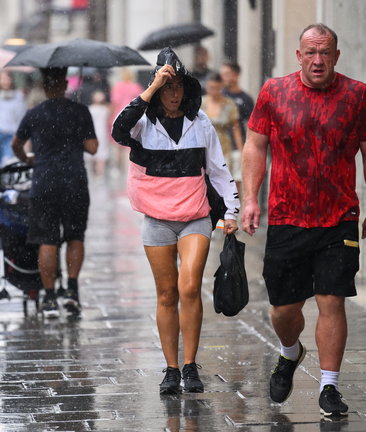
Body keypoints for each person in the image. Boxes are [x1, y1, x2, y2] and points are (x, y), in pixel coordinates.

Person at [241, 23, 366, 418]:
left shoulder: (357, 95)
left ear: (336, 56)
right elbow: (255, 145)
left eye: (325, 53)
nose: (318, 60)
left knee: (331, 300)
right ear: (299, 55)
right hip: (287, 217)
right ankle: (290, 353)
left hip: (338, 218)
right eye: (311, 52)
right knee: (284, 310)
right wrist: (250, 199)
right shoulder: (274, 92)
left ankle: (329, 387)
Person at [111, 47, 240, 395]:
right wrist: (151, 88)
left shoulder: (200, 122)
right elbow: (117, 130)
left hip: (195, 217)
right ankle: (171, 369)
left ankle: (190, 365)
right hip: (156, 220)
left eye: (177, 85)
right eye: (167, 86)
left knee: (189, 287)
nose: (173, 93)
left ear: (187, 88)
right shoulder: (142, 123)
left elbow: (218, 168)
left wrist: (231, 211)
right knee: (167, 294)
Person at [11, 67, 98, 318]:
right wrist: (76, 134)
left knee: (47, 240)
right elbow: (92, 148)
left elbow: (15, 144)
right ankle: (71, 290)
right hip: (74, 182)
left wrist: (28, 159)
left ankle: (49, 299)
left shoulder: (34, 113)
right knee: (75, 236)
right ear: (65, 84)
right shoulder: (80, 111)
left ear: (45, 86)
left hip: (44, 183)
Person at [201, 73, 243, 197]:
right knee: (206, 182)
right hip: (204, 147)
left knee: (228, 182)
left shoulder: (228, 103)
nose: (213, 91)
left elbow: (236, 129)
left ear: (221, 87)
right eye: (211, 87)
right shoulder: (200, 103)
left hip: (223, 147)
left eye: (216, 87)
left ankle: (229, 212)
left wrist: (241, 151)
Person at [220, 62, 254, 197]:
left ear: (236, 75)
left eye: (227, 74)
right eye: (222, 74)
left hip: (237, 146)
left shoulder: (245, 99)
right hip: (220, 145)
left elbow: (252, 125)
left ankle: (235, 215)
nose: (224, 78)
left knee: (236, 182)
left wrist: (245, 149)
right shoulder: (218, 96)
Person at [109, 68, 144, 174]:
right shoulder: (137, 87)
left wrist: (110, 117)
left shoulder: (118, 87)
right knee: (130, 145)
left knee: (117, 145)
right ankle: (129, 168)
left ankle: (117, 169)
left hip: (118, 117)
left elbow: (114, 103)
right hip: (133, 119)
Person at [86, 91, 111, 177]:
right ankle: (100, 174)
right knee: (101, 156)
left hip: (91, 134)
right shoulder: (105, 110)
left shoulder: (89, 109)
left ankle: (96, 172)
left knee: (94, 155)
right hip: (102, 134)